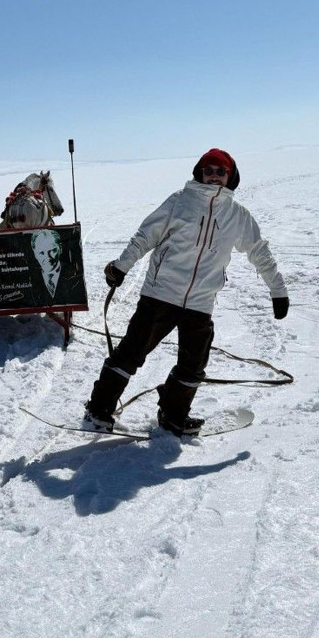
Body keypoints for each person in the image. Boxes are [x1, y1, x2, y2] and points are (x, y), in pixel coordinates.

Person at [83, 149, 289, 437]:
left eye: (221, 171)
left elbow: (259, 252)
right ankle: (98, 410)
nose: (214, 175)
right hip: (160, 293)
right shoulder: (180, 202)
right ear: (200, 172)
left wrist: (277, 290)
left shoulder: (238, 216)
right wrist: (121, 266)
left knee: (193, 363)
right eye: (209, 170)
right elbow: (146, 235)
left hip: (200, 302)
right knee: (131, 352)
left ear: (230, 176)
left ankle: (174, 415)